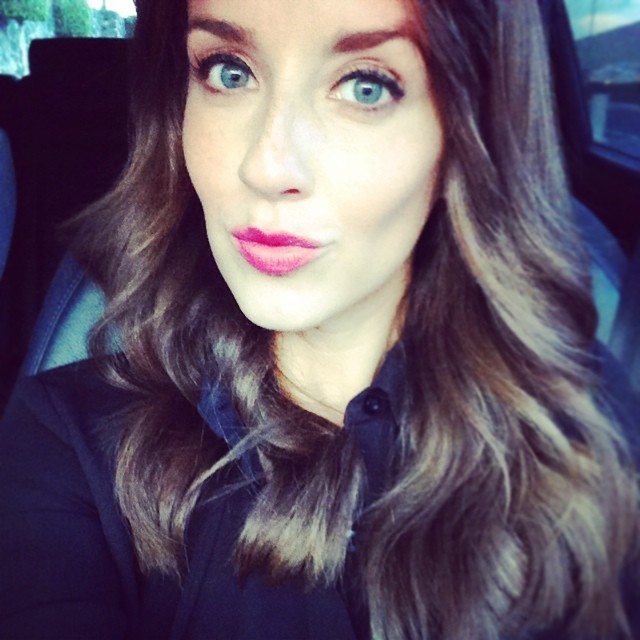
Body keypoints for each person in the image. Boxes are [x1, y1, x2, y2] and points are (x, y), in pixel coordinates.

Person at [1, 0, 639, 638]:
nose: (266, 166)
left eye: (366, 86)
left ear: (468, 132)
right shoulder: (67, 442)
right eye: (228, 71)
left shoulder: (575, 427)